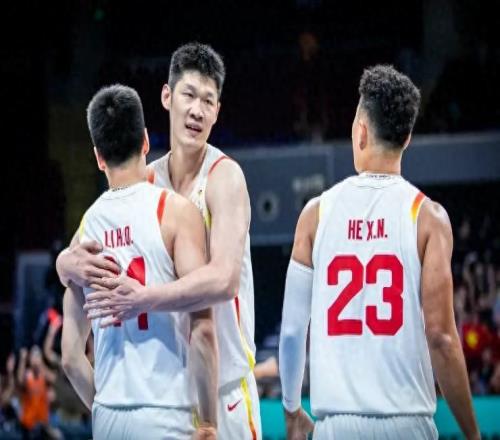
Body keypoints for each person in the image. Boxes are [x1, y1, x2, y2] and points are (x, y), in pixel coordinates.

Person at [57, 43, 261, 440]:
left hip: (226, 391)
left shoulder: (225, 178)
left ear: (217, 111)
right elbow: (79, 249)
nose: (197, 110)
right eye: (189, 95)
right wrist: (64, 262)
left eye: (208, 101)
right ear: (167, 97)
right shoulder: (145, 180)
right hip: (174, 394)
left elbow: (224, 280)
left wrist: (145, 298)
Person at [278, 65, 480, 439]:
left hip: (336, 426)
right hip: (407, 423)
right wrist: (472, 433)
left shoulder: (315, 214)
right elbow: (441, 337)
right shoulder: (429, 217)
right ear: (407, 139)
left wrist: (292, 409)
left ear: (361, 132)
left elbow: (291, 332)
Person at [60, 84, 218, 439]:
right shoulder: (176, 213)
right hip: (166, 415)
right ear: (145, 141)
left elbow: (70, 356)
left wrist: (105, 408)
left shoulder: (84, 233)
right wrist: (209, 422)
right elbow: (203, 330)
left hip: (109, 416)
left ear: (98, 157)